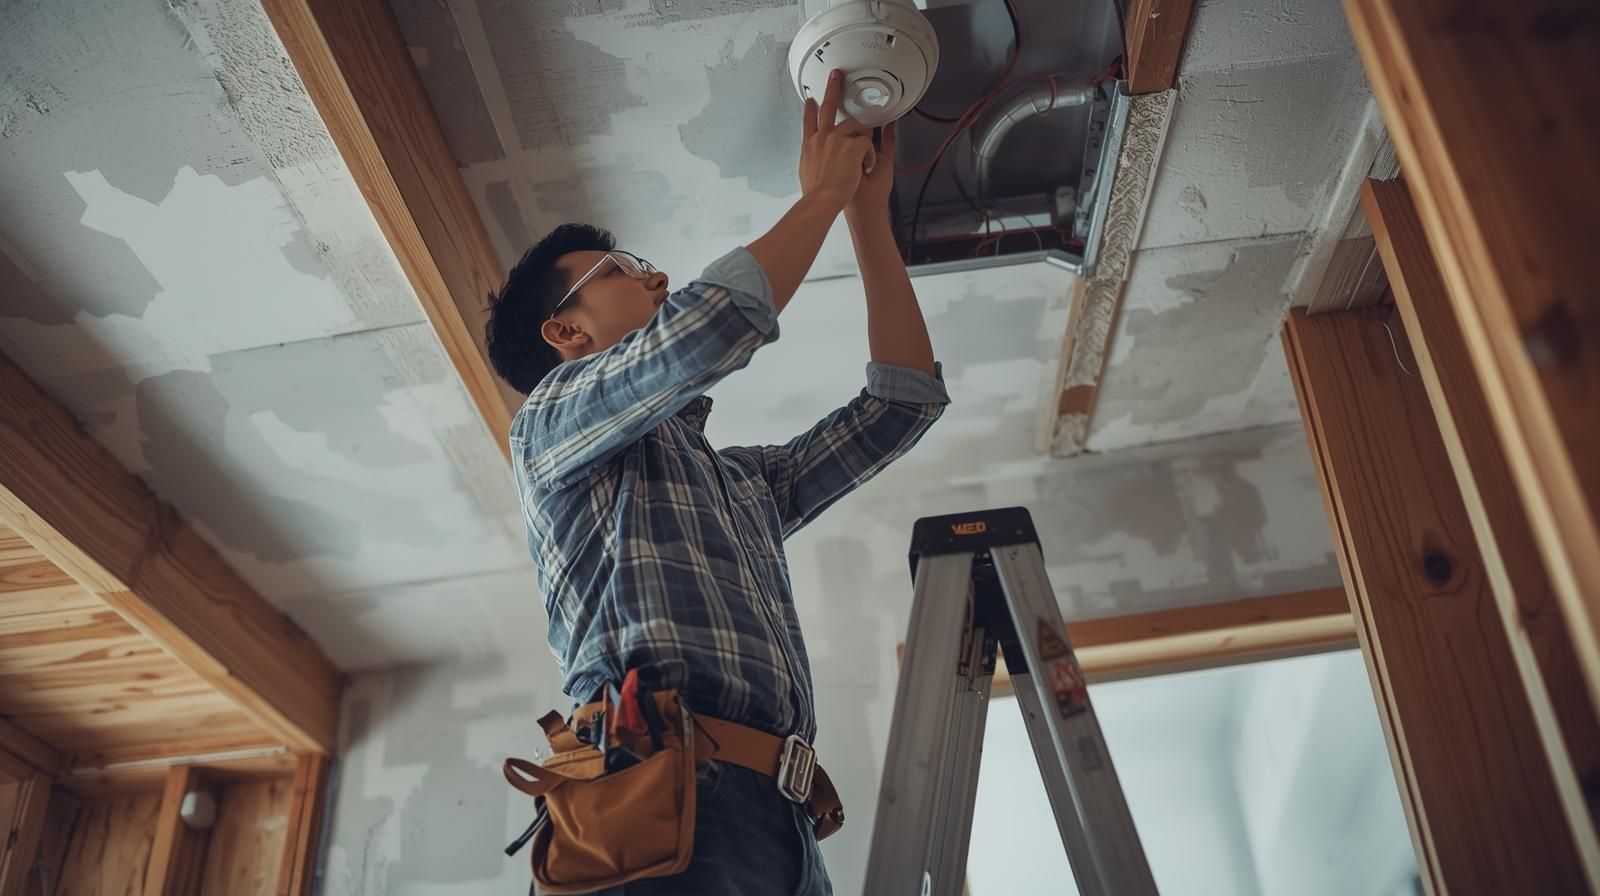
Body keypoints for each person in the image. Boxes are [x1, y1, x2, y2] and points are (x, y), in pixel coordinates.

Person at [484, 69, 948, 896]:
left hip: (780, 822)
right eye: (627, 270)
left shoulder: (739, 486)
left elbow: (899, 407)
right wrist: (815, 200)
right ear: (566, 332)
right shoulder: (549, 427)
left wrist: (863, 218)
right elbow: (709, 328)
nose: (657, 279)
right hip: (656, 792)